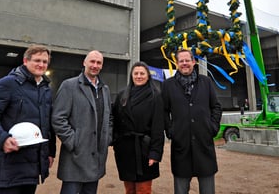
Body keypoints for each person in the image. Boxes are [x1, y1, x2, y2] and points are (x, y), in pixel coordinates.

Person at [0, 44, 56, 194]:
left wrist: (50, 152)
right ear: (25, 61)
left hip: (34, 164)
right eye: (37, 60)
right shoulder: (7, 84)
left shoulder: (45, 89)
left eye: (45, 62)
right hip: (11, 162)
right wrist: (2, 139)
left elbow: (47, 123)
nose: (41, 65)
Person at [51, 50, 112, 194]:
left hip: (96, 158)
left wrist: (106, 138)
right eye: (92, 61)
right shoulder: (69, 86)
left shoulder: (105, 90)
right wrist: (73, 141)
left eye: (99, 63)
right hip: (75, 158)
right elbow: (58, 118)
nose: (95, 65)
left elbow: (109, 118)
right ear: (84, 62)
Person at [162, 49, 222, 194]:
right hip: (181, 146)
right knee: (181, 190)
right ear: (176, 63)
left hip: (204, 144)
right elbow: (163, 111)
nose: (184, 64)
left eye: (187, 60)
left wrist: (212, 127)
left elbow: (216, 107)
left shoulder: (206, 82)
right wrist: (171, 131)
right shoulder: (168, 85)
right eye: (181, 61)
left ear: (193, 62)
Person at [112, 61, 165, 194]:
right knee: (129, 189)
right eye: (136, 73)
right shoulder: (122, 95)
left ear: (148, 76)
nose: (139, 76)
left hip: (145, 150)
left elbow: (158, 127)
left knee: (143, 189)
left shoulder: (155, 96)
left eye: (142, 73)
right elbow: (114, 120)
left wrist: (155, 153)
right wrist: (115, 141)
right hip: (125, 150)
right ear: (131, 75)